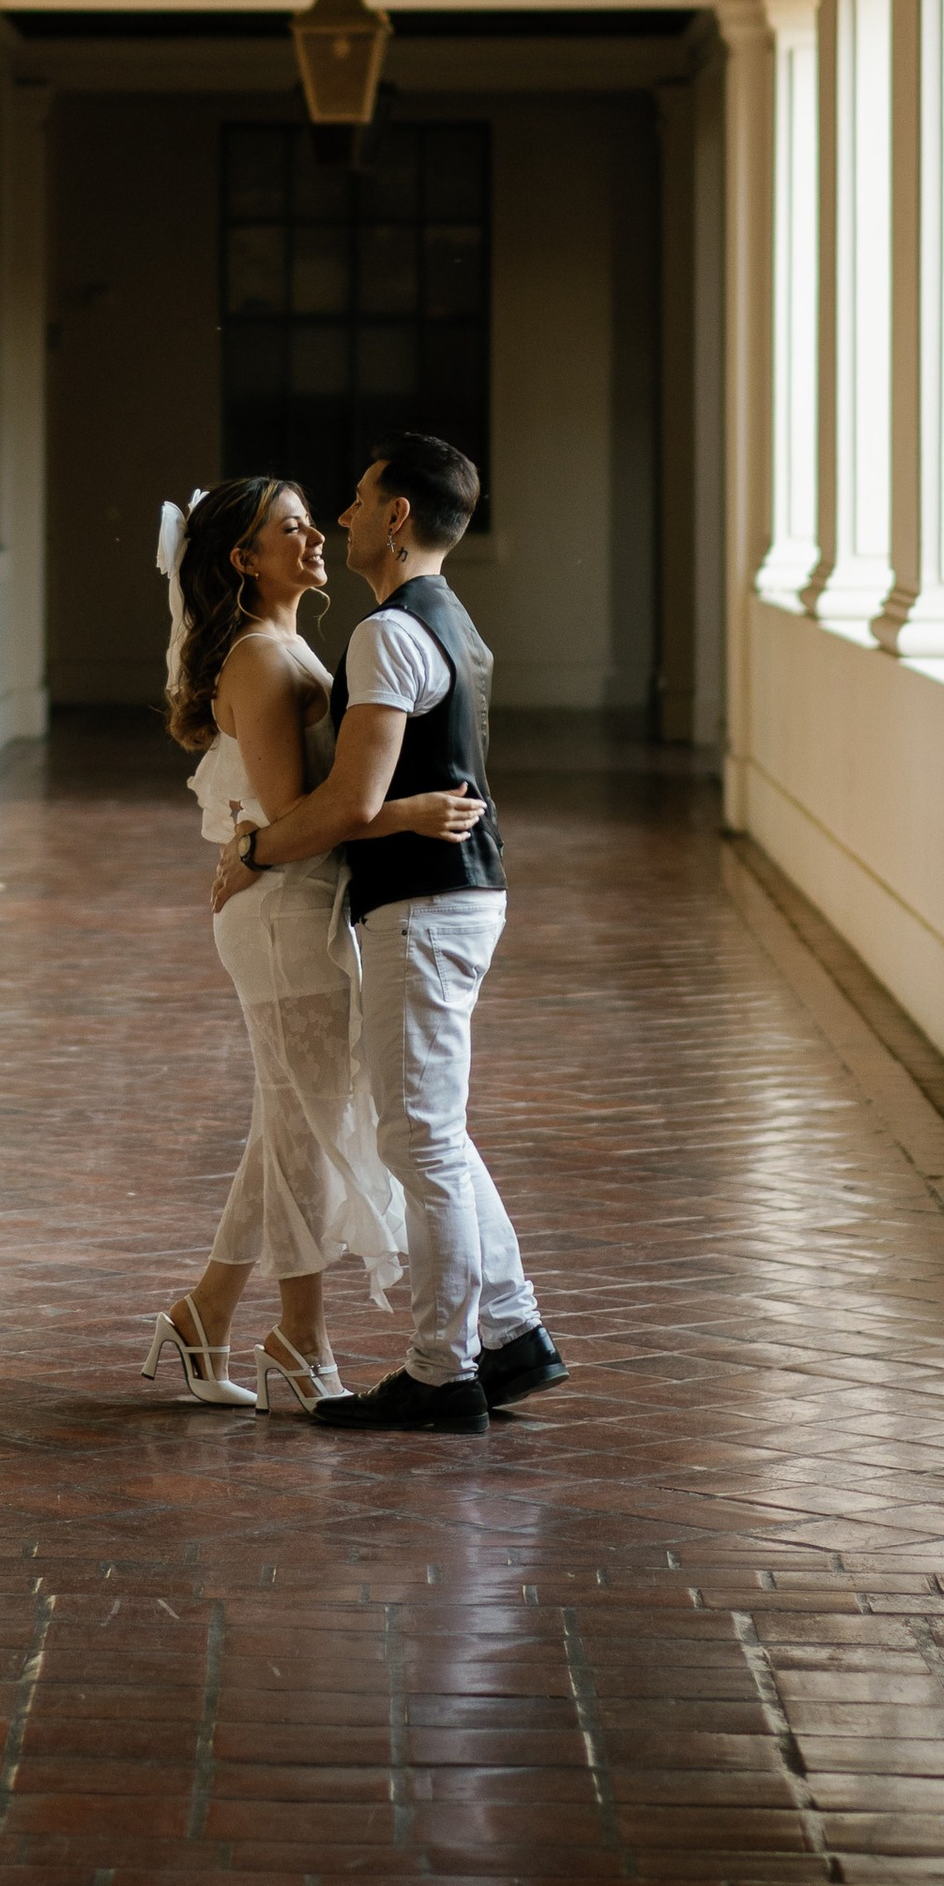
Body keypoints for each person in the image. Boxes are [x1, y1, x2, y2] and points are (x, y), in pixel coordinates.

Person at [213, 434, 566, 1435]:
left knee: (417, 1138)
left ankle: (441, 1372)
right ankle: (513, 1335)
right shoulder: (451, 619)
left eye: (361, 499)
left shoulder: (387, 632)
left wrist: (254, 847)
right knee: (434, 1130)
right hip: (454, 896)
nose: (342, 516)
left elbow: (347, 801)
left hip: (426, 902)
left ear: (397, 517)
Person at [143, 476, 482, 1414]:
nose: (315, 537)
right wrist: (404, 811)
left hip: (300, 898)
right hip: (283, 910)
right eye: (289, 529)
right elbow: (298, 816)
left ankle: (206, 1314)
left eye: (309, 522)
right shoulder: (258, 657)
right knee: (306, 1123)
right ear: (244, 559)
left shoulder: (288, 644)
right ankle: (301, 1335)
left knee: (292, 1116)